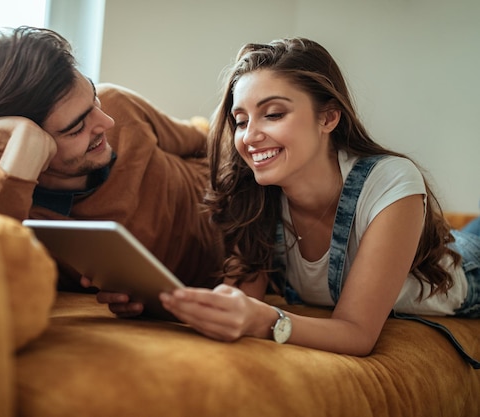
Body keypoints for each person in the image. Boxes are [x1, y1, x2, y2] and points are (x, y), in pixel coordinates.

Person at [158, 38, 480, 357]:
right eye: (241, 121)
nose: (250, 137)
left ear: (328, 118)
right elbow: (238, 301)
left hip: (468, 269)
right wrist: (157, 304)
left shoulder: (391, 181)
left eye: (272, 114)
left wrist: (265, 320)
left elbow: (357, 333)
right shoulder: (256, 195)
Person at [0, 26, 223, 311]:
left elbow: (206, 142)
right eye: (76, 127)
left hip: (245, 209)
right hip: (216, 291)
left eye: (93, 97)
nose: (107, 122)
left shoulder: (119, 104)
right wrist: (20, 158)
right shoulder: (16, 210)